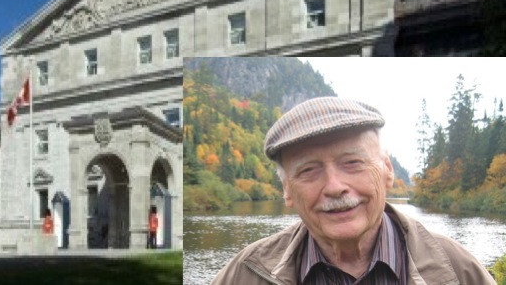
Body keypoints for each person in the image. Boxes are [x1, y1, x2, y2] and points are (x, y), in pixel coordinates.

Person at [211, 96, 496, 284]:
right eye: (309, 170)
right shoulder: (246, 273)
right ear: (286, 190)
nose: (335, 187)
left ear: (387, 170)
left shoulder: (459, 270)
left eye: (353, 162)